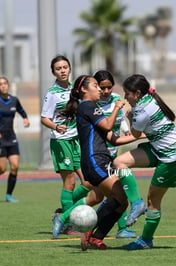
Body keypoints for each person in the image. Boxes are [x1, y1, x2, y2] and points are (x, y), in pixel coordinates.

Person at [60, 74, 141, 250]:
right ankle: (88, 230)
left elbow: (112, 139)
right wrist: (117, 108)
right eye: (95, 85)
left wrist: (140, 136)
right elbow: (107, 126)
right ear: (83, 90)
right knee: (118, 197)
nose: (99, 89)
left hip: (102, 159)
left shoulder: (91, 108)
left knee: (122, 200)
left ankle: (96, 237)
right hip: (94, 160)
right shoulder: (88, 106)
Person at [113, 74, 176, 250]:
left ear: (137, 93)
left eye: (127, 94)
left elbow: (135, 135)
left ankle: (146, 240)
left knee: (153, 201)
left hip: (172, 158)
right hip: (158, 149)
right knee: (119, 163)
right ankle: (136, 203)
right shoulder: (148, 100)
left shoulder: (141, 110)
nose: (125, 97)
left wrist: (127, 119)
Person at [41, 55, 92, 235]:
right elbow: (44, 118)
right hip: (61, 141)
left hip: (78, 140)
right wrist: (56, 126)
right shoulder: (52, 93)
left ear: (70, 69)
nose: (62, 71)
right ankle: (70, 224)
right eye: (58, 68)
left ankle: (63, 214)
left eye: (65, 67)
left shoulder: (75, 90)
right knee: (69, 181)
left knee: (88, 182)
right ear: (53, 72)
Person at [94, 69, 144, 239]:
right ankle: (64, 216)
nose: (106, 91)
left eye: (109, 87)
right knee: (98, 194)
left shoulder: (117, 99)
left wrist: (126, 130)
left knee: (110, 193)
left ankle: (121, 228)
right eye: (102, 87)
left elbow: (121, 119)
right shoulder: (92, 103)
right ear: (96, 87)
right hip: (97, 154)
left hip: (111, 153)